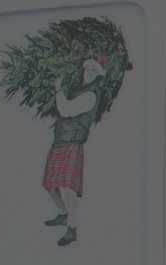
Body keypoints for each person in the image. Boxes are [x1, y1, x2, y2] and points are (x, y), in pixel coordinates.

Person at [42, 57, 109, 246]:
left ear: (97, 74)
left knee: (67, 186)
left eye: (91, 71)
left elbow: (66, 109)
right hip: (61, 140)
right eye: (86, 70)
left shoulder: (91, 94)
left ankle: (72, 229)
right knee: (49, 183)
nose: (87, 73)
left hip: (72, 142)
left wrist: (58, 89)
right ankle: (63, 214)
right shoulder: (79, 89)